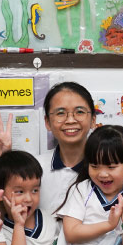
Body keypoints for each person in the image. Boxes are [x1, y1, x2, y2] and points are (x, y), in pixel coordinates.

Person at [39, 81, 96, 212]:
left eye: (80, 112)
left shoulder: (109, 170)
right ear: (47, 122)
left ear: (93, 119)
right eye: (60, 113)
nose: (70, 120)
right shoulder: (35, 167)